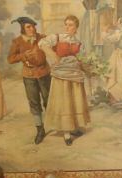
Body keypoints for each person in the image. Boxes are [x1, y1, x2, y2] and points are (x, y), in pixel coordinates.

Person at [40, 15, 89, 146]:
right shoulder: (57, 37)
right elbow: (42, 44)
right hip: (61, 74)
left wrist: (88, 68)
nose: (67, 27)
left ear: (76, 27)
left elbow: (81, 58)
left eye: (71, 25)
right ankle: (66, 133)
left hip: (75, 74)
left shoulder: (78, 42)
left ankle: (74, 127)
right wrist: (53, 56)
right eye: (66, 24)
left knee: (75, 101)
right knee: (65, 102)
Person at [6, 16, 51, 144]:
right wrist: (23, 55)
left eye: (33, 26)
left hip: (44, 73)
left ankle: (55, 124)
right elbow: (10, 59)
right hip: (29, 76)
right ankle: (40, 129)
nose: (32, 29)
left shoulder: (42, 38)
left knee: (49, 100)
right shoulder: (17, 42)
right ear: (22, 28)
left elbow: (54, 48)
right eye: (29, 27)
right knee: (34, 103)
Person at [102, 16, 122, 103]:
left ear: (121, 23)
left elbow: (109, 39)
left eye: (118, 22)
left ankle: (117, 97)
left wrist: (105, 32)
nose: (117, 24)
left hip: (118, 55)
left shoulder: (120, 33)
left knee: (117, 74)